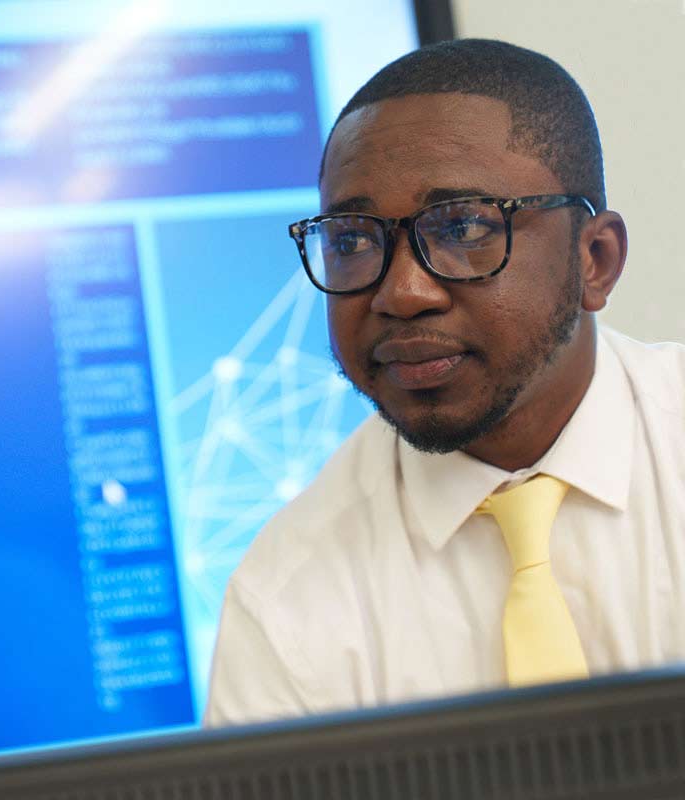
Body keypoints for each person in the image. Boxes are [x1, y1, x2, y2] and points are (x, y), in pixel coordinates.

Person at [203, 38, 685, 727]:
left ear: (596, 261)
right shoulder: (286, 600)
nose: (401, 291)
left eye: (462, 225)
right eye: (351, 240)